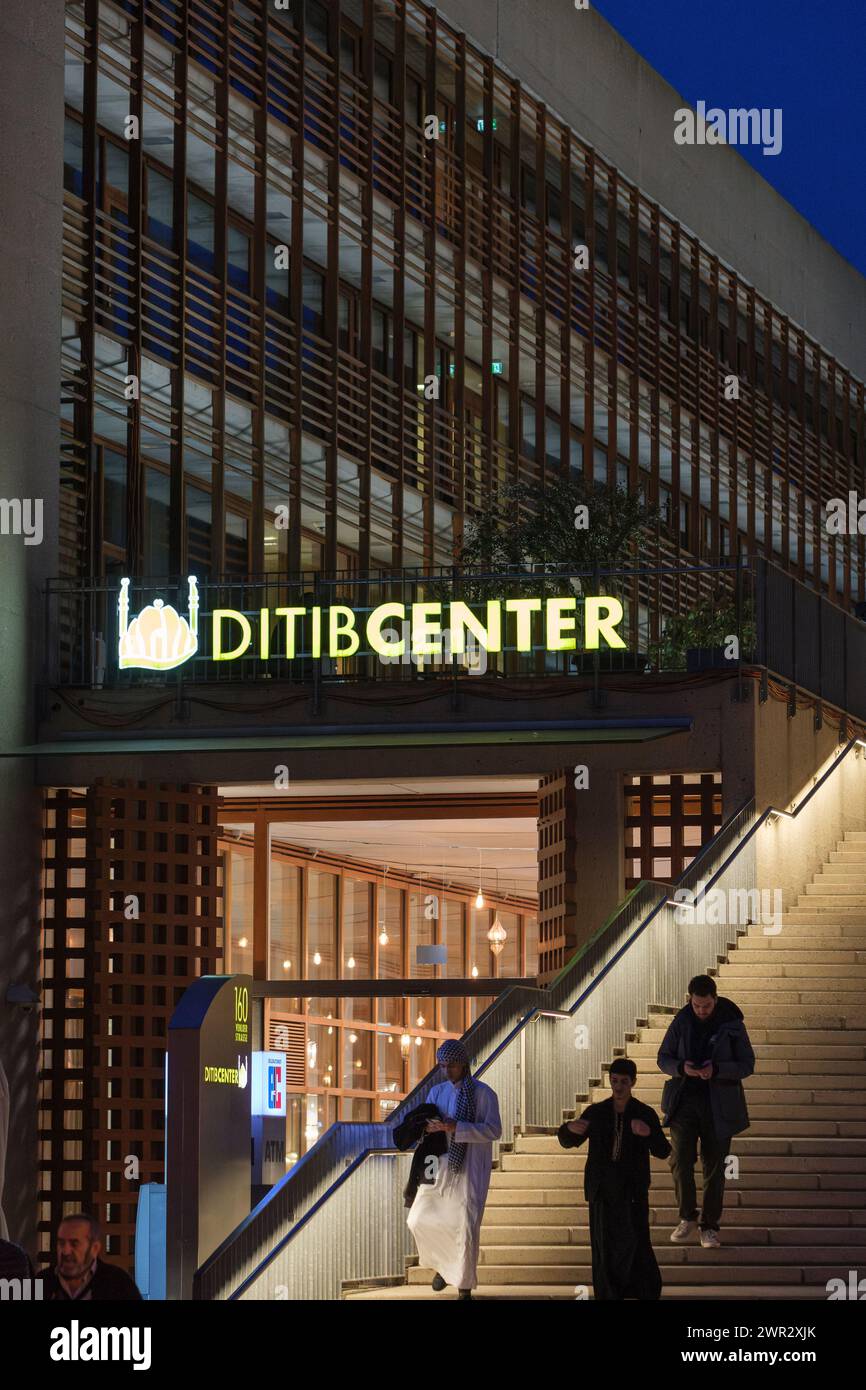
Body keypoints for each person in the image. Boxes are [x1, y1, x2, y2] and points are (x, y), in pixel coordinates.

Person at [558, 1057, 670, 1300]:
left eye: (624, 1082)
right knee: (604, 1245)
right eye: (615, 1081)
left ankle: (644, 1291)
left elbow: (663, 1150)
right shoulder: (597, 1112)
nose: (618, 1087)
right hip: (602, 1191)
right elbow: (569, 1141)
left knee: (636, 1241)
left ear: (633, 1082)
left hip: (632, 1191)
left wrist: (648, 1132)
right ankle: (609, 1294)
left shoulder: (643, 1113)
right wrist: (567, 1129)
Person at [657, 974, 755, 1249]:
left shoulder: (732, 1023)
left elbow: (747, 1064)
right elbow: (663, 1057)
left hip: (719, 1104)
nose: (701, 1011)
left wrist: (718, 1070)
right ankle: (687, 1216)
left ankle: (709, 1226)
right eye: (697, 1005)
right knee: (680, 1160)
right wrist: (681, 1068)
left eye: (706, 1006)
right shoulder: (682, 1020)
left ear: (715, 999)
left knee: (714, 1167)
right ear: (690, 1000)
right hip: (684, 1100)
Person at [406, 1039, 502, 1300]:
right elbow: (425, 1123)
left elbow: (494, 1130)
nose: (448, 1071)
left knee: (465, 1225)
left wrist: (456, 1127)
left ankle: (464, 1286)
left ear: (464, 1065)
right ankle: (442, 1265)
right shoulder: (437, 1093)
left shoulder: (484, 1094)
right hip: (438, 1164)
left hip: (470, 1167)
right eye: (443, 1066)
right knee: (418, 1218)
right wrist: (428, 1126)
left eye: (452, 1066)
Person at [43, 1213, 142, 1301]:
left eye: (74, 1244)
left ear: (94, 1248)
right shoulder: (40, 1281)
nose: (65, 1251)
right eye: (61, 1243)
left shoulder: (119, 1283)